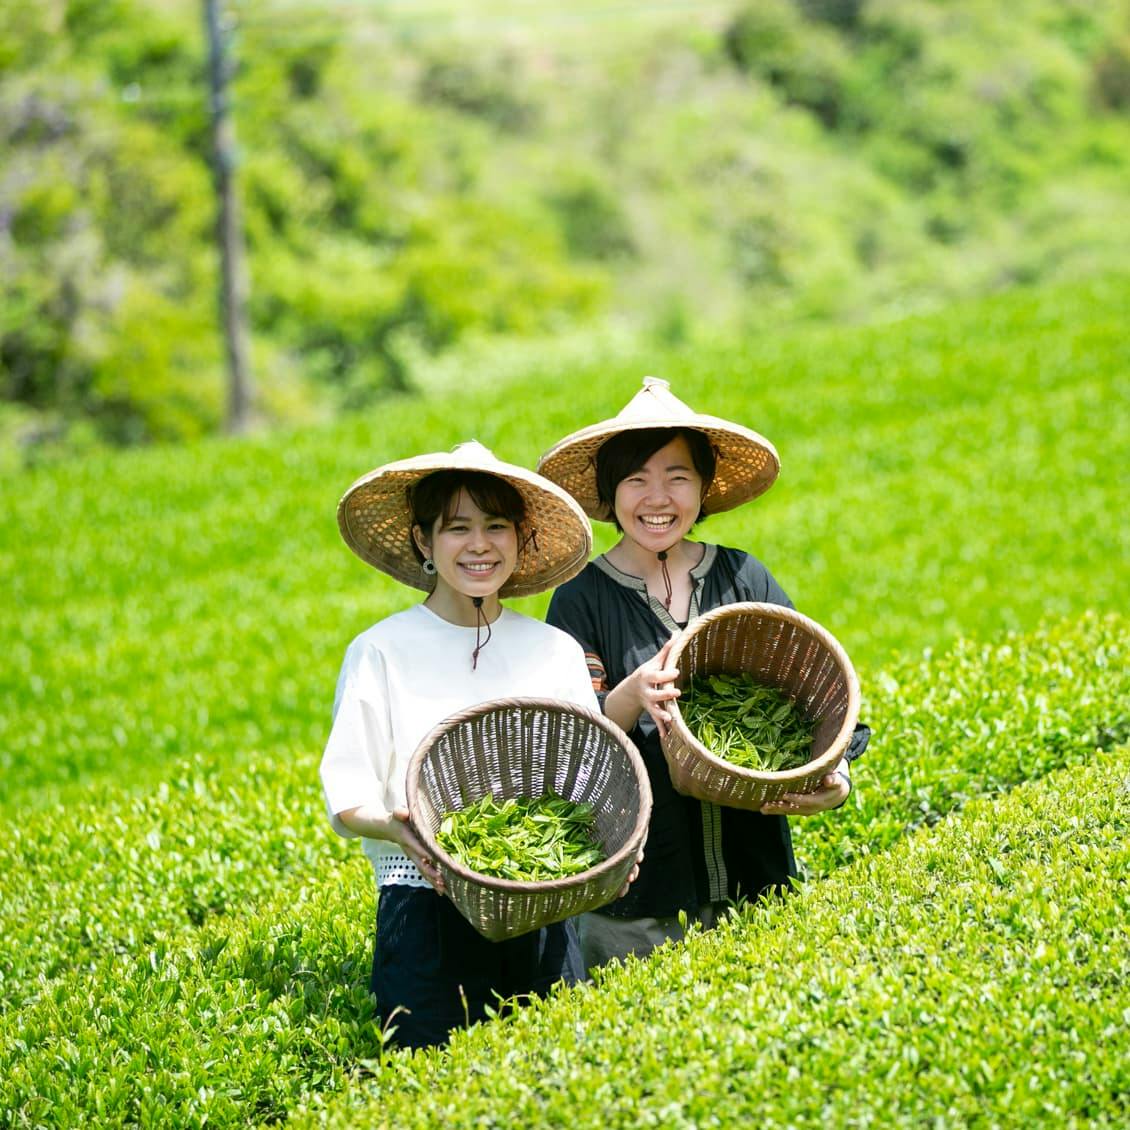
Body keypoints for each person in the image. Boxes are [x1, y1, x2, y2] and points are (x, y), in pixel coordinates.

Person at [538, 377, 870, 974]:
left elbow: (817, 699)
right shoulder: (581, 599)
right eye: (636, 479)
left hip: (756, 876)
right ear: (610, 495)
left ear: (704, 488)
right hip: (638, 900)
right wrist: (629, 696)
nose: (656, 497)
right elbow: (570, 741)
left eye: (677, 477)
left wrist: (836, 779)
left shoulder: (744, 577)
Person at [319, 440, 602, 1049]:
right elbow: (348, 796)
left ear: (521, 537)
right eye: (457, 528)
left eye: (496, 526)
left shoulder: (553, 651)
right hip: (425, 909)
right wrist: (398, 827)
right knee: (431, 1088)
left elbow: (587, 784)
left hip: (543, 907)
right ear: (425, 542)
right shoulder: (381, 650)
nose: (480, 545)